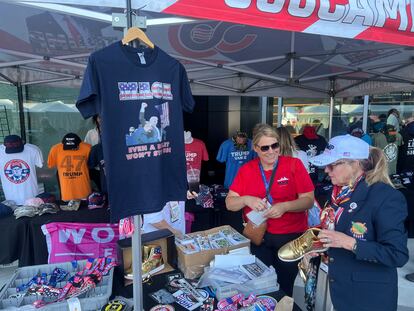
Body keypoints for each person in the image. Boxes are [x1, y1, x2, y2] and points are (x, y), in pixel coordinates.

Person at [309, 134, 408, 311]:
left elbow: (397, 254)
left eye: (332, 165)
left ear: (355, 163)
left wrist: (349, 242)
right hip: (336, 288)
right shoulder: (337, 193)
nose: (326, 170)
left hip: (366, 298)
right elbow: (336, 228)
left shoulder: (386, 197)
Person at [226, 123, 314, 296]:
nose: (271, 151)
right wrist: (246, 199)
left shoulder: (293, 164)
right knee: (259, 287)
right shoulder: (247, 170)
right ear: (256, 148)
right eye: (265, 148)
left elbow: (308, 200)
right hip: (259, 237)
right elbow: (230, 203)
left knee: (285, 288)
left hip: (290, 238)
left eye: (275, 145)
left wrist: (285, 206)